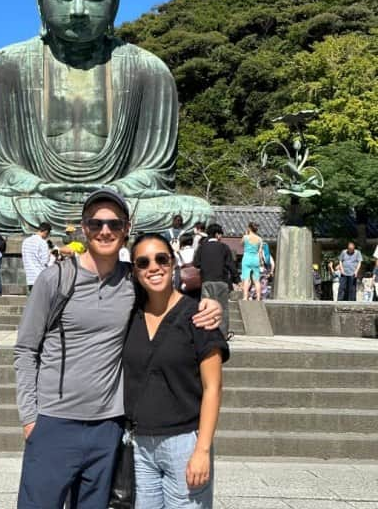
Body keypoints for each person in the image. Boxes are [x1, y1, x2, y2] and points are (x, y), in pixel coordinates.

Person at [0, 0, 212, 237]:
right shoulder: (1, 68)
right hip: (38, 202)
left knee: (194, 212)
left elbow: (156, 173)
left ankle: (101, 216)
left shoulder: (149, 71)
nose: (79, 10)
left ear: (115, 1)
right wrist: (39, 186)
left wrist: (115, 189)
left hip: (119, 202)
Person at [14, 188, 222, 509]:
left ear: (127, 229)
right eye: (96, 224)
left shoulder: (131, 281)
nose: (105, 230)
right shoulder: (55, 280)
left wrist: (208, 304)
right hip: (55, 421)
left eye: (114, 223)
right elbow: (26, 349)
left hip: (108, 426)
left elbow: (166, 292)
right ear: (84, 229)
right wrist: (30, 417)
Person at [124, 232, 229, 509]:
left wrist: (202, 450)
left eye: (161, 259)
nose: (153, 268)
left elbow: (213, 388)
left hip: (184, 442)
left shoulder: (199, 316)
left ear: (173, 263)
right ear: (134, 270)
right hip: (140, 443)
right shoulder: (129, 317)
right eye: (143, 263)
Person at [194, 223, 240, 337]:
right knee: (222, 309)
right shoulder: (224, 247)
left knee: (206, 308)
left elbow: (196, 263)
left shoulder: (202, 247)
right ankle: (223, 334)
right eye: (221, 235)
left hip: (206, 281)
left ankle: (205, 333)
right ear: (218, 234)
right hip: (221, 281)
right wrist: (237, 279)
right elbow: (230, 265)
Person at [21, 222, 52, 291]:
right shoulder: (42, 243)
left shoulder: (25, 241)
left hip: (30, 278)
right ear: (46, 232)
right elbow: (45, 261)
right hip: (40, 277)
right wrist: (49, 254)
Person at [241, 223, 262, 301]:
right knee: (256, 280)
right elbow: (260, 251)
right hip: (255, 259)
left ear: (249, 228)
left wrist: (246, 234)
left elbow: (241, 244)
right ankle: (258, 297)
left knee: (246, 278)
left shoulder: (245, 237)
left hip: (247, 258)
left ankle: (245, 297)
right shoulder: (260, 239)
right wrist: (261, 261)